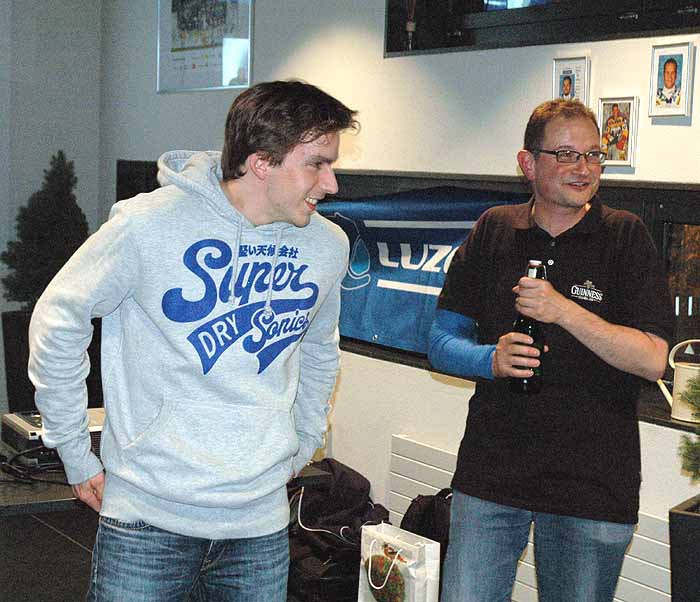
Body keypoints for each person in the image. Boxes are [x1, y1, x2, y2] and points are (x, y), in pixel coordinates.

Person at [28, 79, 358, 602]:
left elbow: (320, 350)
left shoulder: (327, 245)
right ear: (261, 162)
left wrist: (304, 438)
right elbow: (58, 318)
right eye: (317, 164)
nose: (331, 183)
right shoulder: (148, 225)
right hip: (147, 523)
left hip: (260, 527)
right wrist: (73, 448)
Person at [428, 99, 673, 602]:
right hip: (491, 475)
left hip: (592, 487)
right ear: (528, 163)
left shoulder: (625, 236)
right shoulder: (495, 228)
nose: (583, 168)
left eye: (593, 155)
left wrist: (563, 310)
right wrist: (490, 360)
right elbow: (439, 343)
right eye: (565, 154)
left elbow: (652, 359)